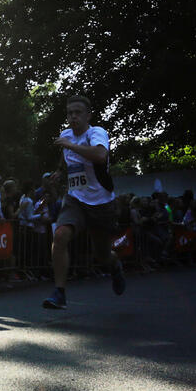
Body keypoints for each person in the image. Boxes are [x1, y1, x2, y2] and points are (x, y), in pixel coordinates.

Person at [42, 95, 126, 309]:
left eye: (78, 112)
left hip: (101, 203)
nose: (73, 117)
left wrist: (70, 145)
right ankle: (59, 293)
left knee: (102, 255)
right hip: (75, 198)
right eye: (70, 113)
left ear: (88, 115)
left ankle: (115, 265)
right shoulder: (66, 135)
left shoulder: (96, 133)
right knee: (60, 235)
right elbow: (66, 158)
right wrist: (60, 172)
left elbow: (100, 155)